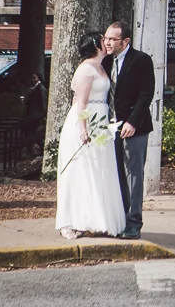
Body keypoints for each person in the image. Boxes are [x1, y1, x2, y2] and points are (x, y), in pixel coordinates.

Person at [54, 32, 125, 240]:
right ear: (96, 44)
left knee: (98, 171)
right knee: (81, 171)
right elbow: (81, 103)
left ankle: (96, 219)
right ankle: (71, 221)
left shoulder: (102, 67)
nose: (107, 42)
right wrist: (83, 129)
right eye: (104, 39)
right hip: (85, 121)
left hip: (101, 122)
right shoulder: (86, 69)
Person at [103, 21, 154, 238]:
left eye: (112, 39)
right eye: (106, 38)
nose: (107, 42)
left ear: (125, 41)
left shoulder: (141, 60)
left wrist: (132, 122)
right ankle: (119, 219)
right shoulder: (106, 62)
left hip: (135, 128)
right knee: (116, 175)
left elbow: (146, 94)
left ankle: (134, 222)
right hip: (110, 128)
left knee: (133, 174)